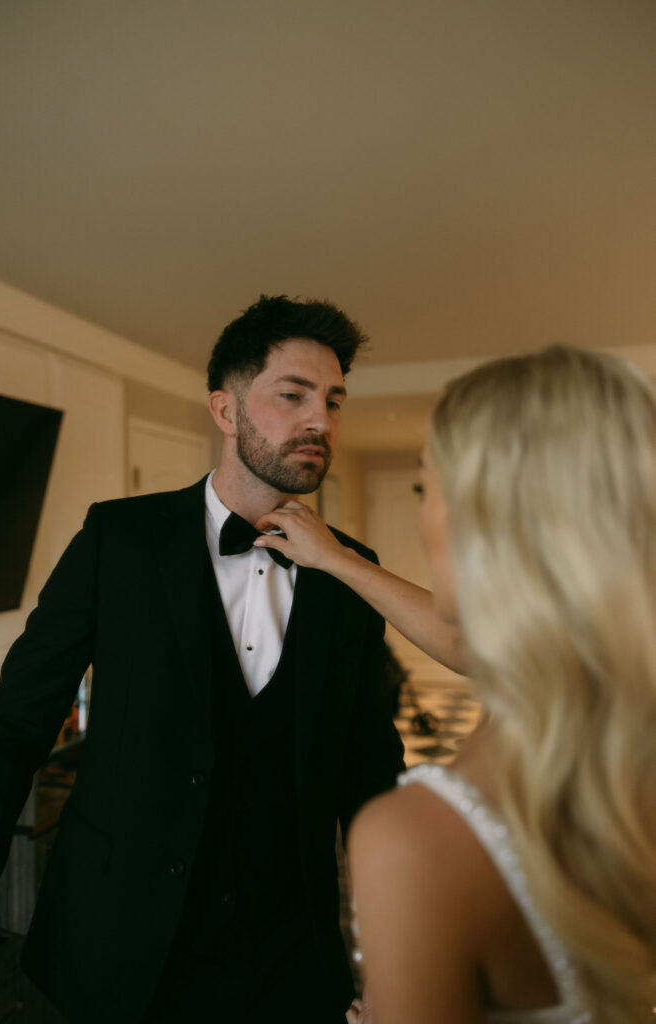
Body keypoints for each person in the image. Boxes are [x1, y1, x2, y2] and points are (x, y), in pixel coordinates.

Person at [0, 294, 430, 1024]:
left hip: (290, 964)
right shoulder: (117, 540)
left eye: (334, 401)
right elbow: (8, 731)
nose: (322, 420)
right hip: (110, 952)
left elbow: (370, 774)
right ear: (224, 410)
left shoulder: (353, 573)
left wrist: (400, 961)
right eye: (293, 395)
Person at [256, 346, 656, 1023]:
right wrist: (337, 558)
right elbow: (478, 649)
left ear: (483, 522)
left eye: (425, 488)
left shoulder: (414, 844)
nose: (424, 516)